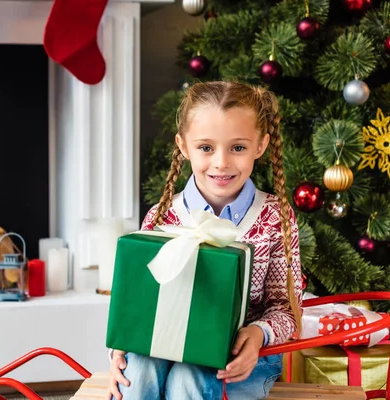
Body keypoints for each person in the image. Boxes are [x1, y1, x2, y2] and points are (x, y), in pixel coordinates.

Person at [106, 81, 303, 400]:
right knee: (138, 372)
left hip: (241, 357)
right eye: (206, 147)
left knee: (189, 378)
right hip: (166, 342)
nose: (221, 162)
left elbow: (286, 308)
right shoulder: (162, 217)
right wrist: (120, 348)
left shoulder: (274, 217)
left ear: (260, 146)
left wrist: (258, 333)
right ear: (184, 146)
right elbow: (139, 301)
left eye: (237, 147)